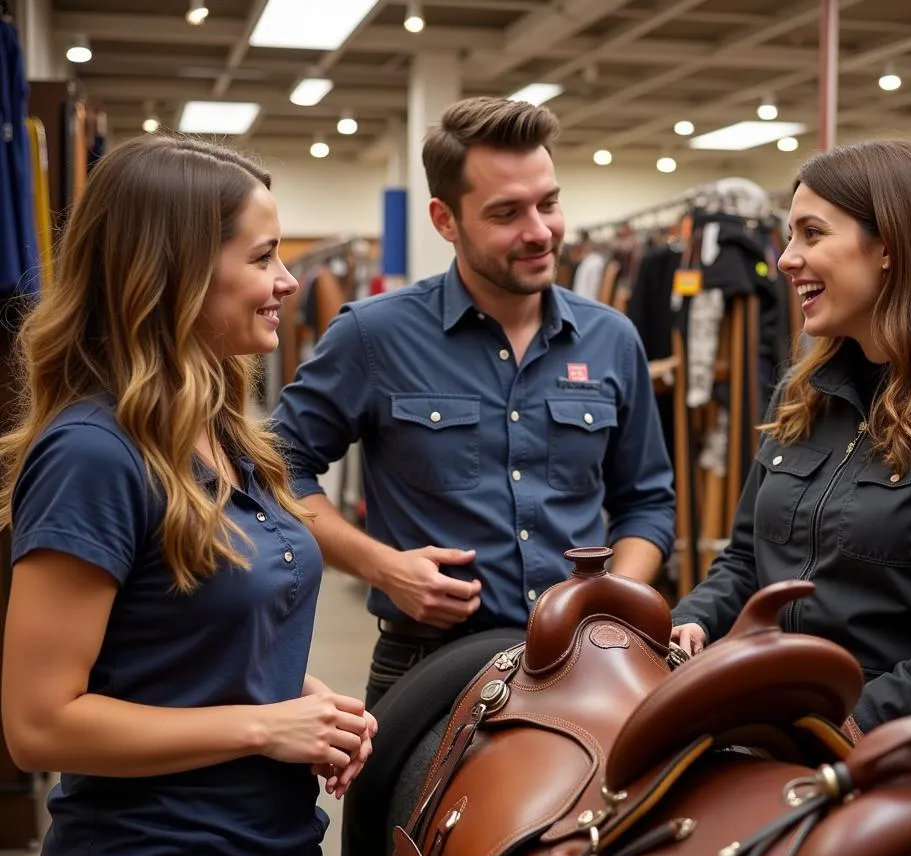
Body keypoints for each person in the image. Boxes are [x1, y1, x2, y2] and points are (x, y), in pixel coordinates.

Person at [0, 133, 376, 856]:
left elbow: (191, 635)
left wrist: (306, 704)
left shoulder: (228, 434)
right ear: (170, 276)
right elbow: (38, 723)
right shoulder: (94, 456)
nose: (288, 280)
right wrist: (261, 726)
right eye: (262, 256)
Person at [272, 96, 675, 709]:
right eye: (506, 213)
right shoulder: (374, 336)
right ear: (445, 219)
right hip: (427, 667)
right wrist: (381, 566)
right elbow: (275, 467)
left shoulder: (612, 338)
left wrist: (612, 598)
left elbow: (646, 500)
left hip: (583, 665)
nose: (539, 231)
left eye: (548, 203)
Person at [671, 139, 911, 811]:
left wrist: (850, 720)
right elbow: (746, 559)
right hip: (769, 762)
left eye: (812, 233)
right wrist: (692, 622)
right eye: (788, 234)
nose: (785, 259)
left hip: (908, 785)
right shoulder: (803, 396)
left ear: (889, 244)